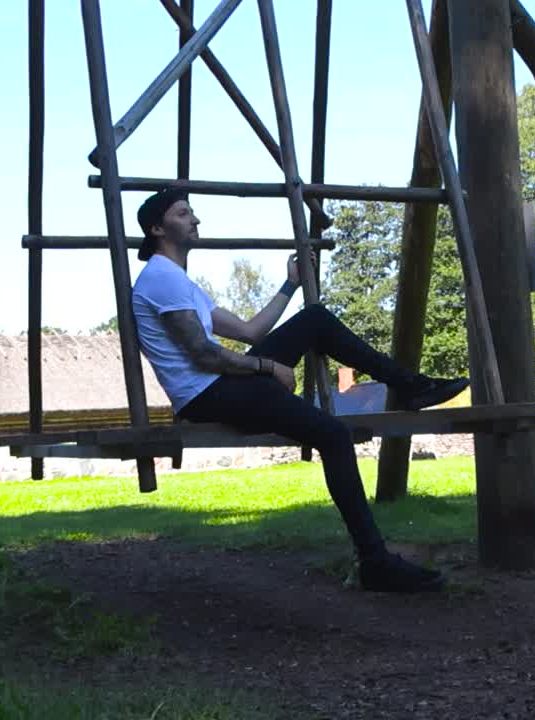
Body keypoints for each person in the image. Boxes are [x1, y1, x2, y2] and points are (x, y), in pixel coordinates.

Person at [131, 188, 469, 592]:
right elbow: (204, 355)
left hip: (223, 382)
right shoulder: (159, 277)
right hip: (208, 395)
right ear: (157, 228)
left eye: (192, 213)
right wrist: (266, 366)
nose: (195, 220)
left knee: (314, 320)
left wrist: (289, 286)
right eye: (183, 213)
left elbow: (249, 331)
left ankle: (410, 387)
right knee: (334, 434)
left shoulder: (180, 281)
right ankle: (374, 561)